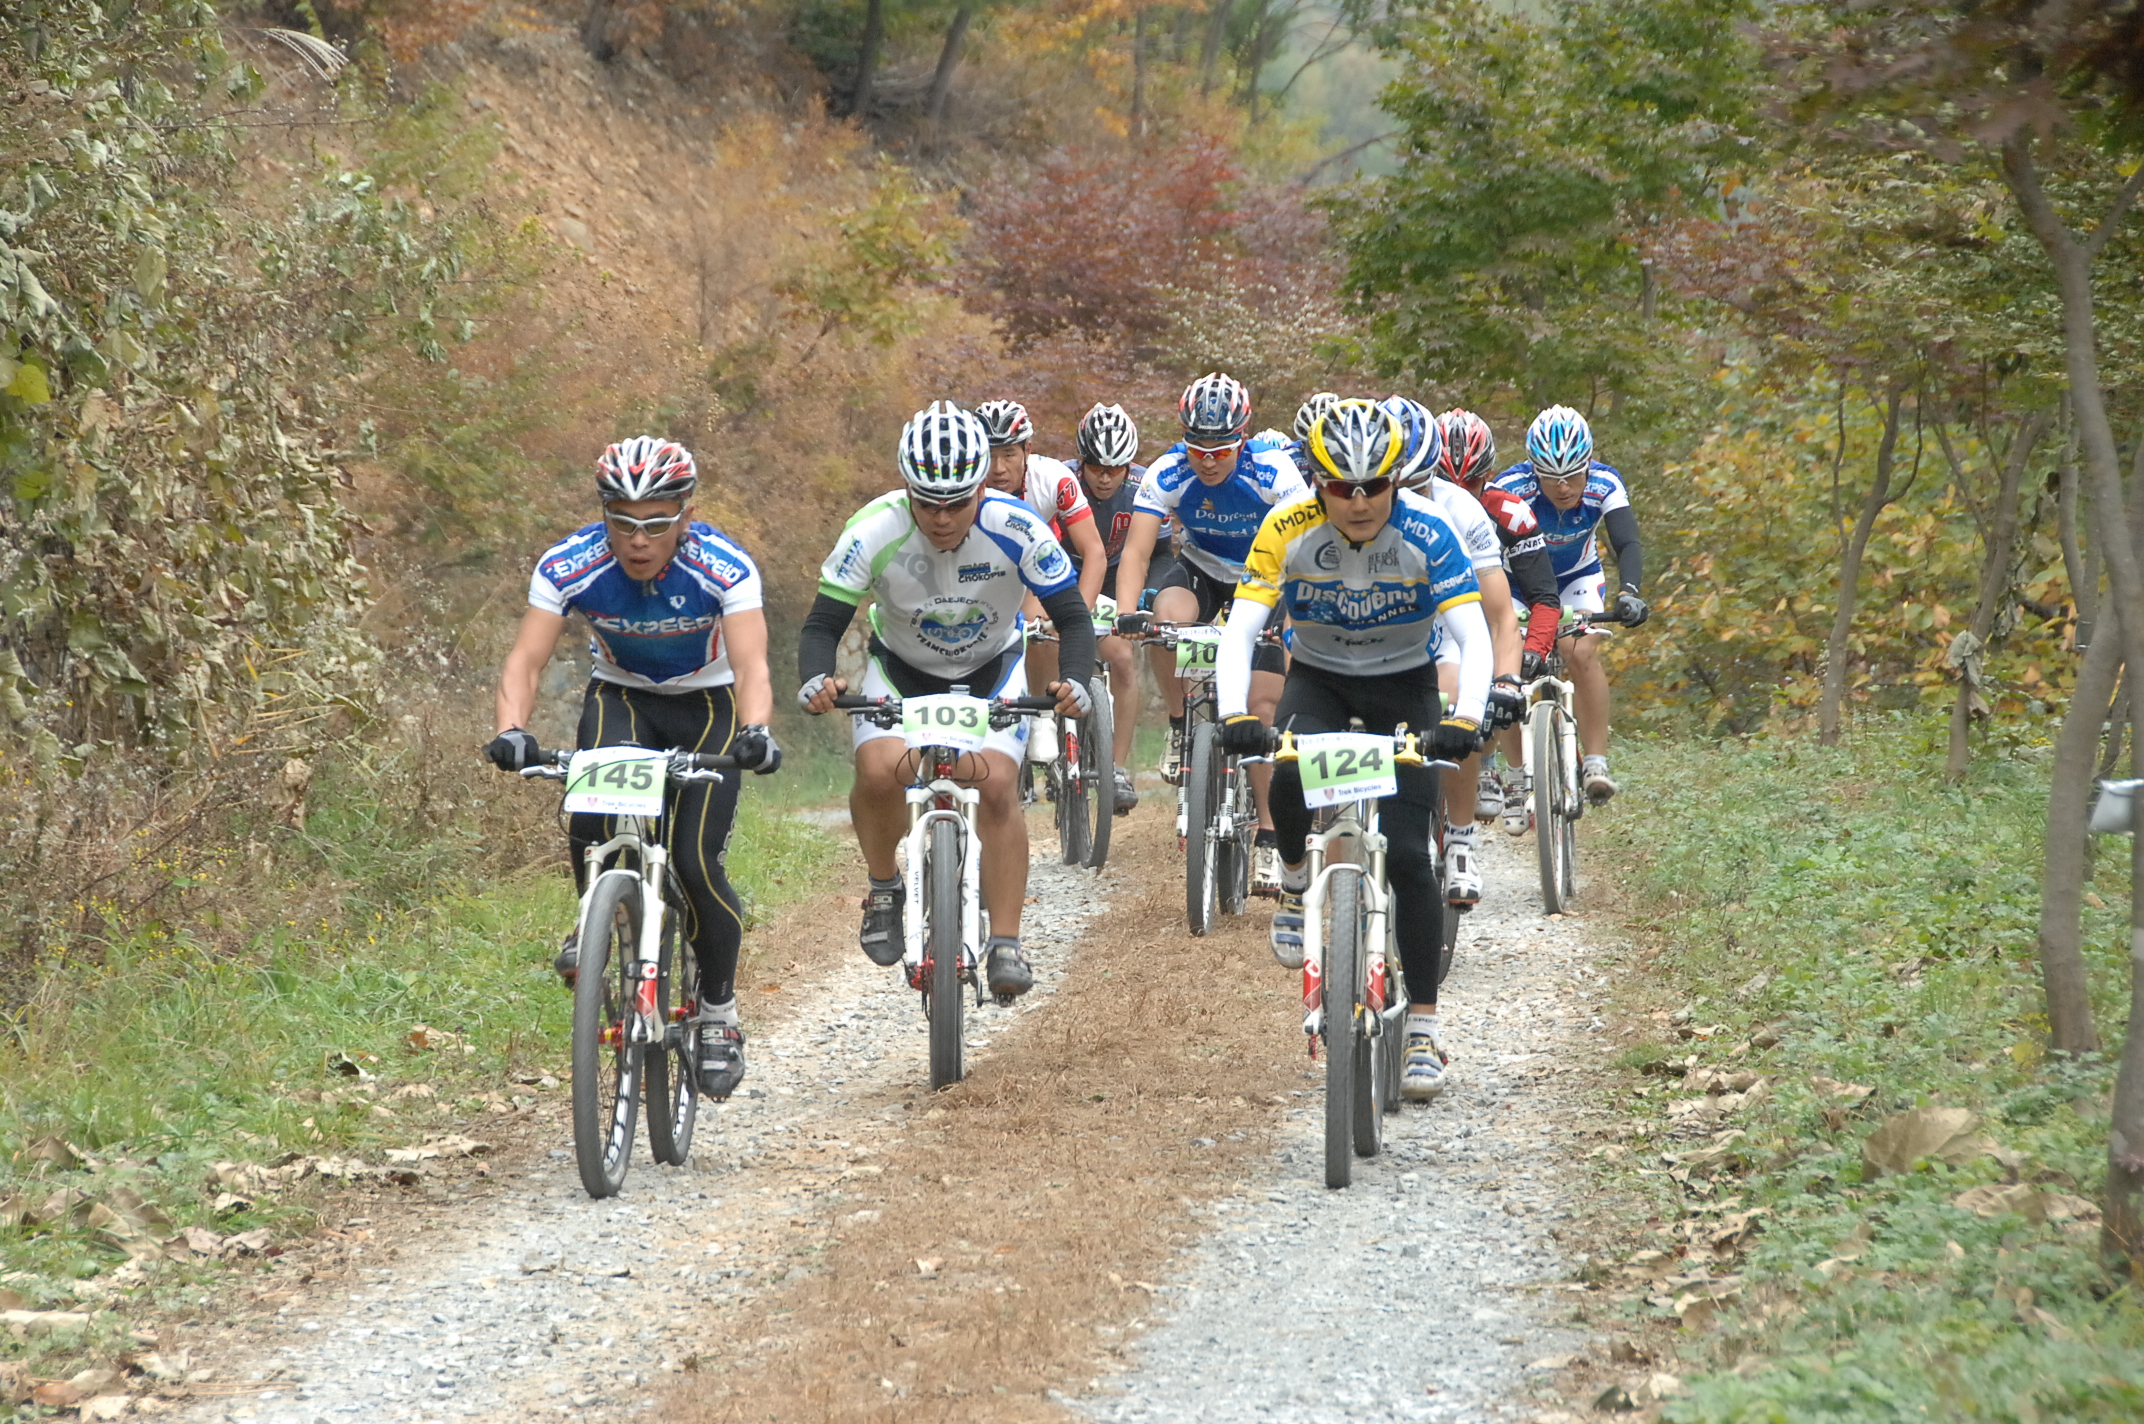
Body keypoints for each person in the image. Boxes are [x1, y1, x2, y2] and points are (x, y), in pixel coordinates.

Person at [485, 436, 780, 1101]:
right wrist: (510, 731)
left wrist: (757, 731)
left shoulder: (723, 565)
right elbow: (525, 661)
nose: (638, 539)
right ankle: (597, 922)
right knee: (588, 810)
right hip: (621, 698)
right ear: (603, 517)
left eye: (656, 522)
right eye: (622, 522)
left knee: (695, 861)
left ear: (686, 513)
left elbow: (754, 665)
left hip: (708, 705)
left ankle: (718, 1016)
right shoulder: (571, 563)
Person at [1215, 398, 1492, 1101]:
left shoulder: (1429, 532)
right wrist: (1233, 713)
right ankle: (1292, 875)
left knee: (1406, 855)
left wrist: (1463, 718)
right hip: (1322, 679)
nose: (1361, 501)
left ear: (1398, 481)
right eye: (1343, 486)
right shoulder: (1286, 529)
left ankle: (1424, 1030)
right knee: (1286, 769)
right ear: (1318, 483)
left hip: (1407, 685)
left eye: (1376, 486)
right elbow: (1242, 628)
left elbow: (1474, 634)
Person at [795, 402, 1096, 999]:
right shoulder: (873, 528)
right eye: (926, 501)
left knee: (997, 785)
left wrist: (1076, 680)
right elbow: (822, 625)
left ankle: (1006, 941)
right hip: (902, 670)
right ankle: (884, 887)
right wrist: (816, 679)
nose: (940, 517)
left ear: (982, 486)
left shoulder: (1018, 527)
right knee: (878, 771)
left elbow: (1073, 617)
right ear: (906, 487)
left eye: (957, 502)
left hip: (993, 668)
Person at [1112, 372, 1307, 892]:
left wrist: (1290, 619)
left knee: (1263, 704)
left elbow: (1307, 549)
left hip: (1267, 576)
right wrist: (1129, 611)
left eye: (1221, 449)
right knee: (1165, 620)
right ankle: (1182, 723)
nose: (1209, 459)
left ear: (1242, 439)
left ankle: (1268, 835)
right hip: (1202, 568)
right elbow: (1135, 551)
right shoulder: (1168, 471)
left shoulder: (1272, 470)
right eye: (1198, 447)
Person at [1378, 397, 1522, 909]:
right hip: (1373, 625)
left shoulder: (1462, 510)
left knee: (1457, 705)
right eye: (1395, 487)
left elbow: (1501, 615)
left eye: (1419, 486)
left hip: (1439, 625)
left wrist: (1503, 682)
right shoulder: (1342, 502)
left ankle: (1460, 839)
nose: (1407, 499)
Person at [1491, 405, 1647, 803]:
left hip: (1576, 577)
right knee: (1506, 667)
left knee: (1578, 650)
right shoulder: (1510, 487)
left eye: (1573, 475)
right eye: (1551, 478)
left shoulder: (1605, 483)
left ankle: (1595, 760)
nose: (1563, 488)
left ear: (1589, 464)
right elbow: (1486, 552)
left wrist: (1629, 591)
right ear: (1533, 471)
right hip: (1518, 581)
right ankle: (1513, 773)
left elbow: (1626, 541)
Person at [1437, 408, 1563, 829]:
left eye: (1471, 482)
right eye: (1447, 479)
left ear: (1487, 475)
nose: (1460, 492)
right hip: (1435, 618)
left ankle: (1502, 770)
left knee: (1501, 672)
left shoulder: (1512, 514)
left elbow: (1545, 596)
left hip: (1497, 607)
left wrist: (1533, 649)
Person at [973, 399, 1107, 769]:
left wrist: (1075, 620)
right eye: (989, 456)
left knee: (1040, 624)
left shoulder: (1054, 480)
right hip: (983, 567)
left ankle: (1042, 716)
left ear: (1028, 450)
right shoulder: (964, 483)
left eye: (1009, 455)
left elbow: (1094, 552)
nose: (998, 469)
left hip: (1036, 563)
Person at [1066, 402, 1158, 814]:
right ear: (1081, 460)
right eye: (1096, 467)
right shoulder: (1063, 480)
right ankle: (1047, 741)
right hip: (1066, 572)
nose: (1105, 477)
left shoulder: (1144, 485)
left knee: (1122, 657)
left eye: (1115, 468)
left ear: (1129, 465)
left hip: (1118, 575)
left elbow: (1160, 553)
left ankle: (1117, 767)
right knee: (1045, 640)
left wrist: (1140, 603)